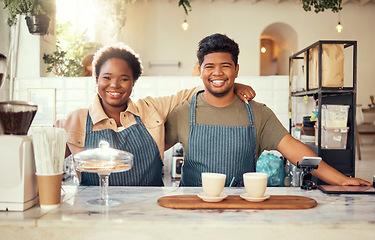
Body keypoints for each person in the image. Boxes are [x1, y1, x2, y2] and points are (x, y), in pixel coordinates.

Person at [165, 33, 371, 187]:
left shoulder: (258, 113)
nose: (217, 72)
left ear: (236, 70)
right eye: (209, 66)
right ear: (200, 70)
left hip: (242, 209)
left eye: (225, 66)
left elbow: (295, 150)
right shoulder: (184, 111)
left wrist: (341, 179)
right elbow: (154, 147)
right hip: (190, 207)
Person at [56, 42, 255, 186]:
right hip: (94, 216)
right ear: (96, 79)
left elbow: (194, 93)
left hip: (149, 215)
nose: (114, 85)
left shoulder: (151, 109)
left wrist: (230, 84)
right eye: (106, 78)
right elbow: (46, 162)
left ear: (133, 82)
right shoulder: (76, 120)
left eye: (124, 79)